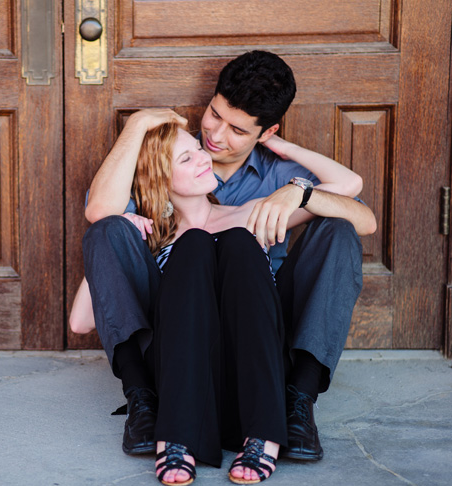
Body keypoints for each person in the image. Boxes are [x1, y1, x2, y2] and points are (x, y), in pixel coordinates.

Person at [78, 50, 372, 464]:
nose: (214, 139)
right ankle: (144, 399)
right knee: (121, 231)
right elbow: (98, 225)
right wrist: (138, 125)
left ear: (265, 131)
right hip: (177, 339)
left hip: (259, 333)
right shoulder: (153, 177)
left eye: (237, 130)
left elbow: (358, 205)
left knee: (338, 228)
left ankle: (298, 401)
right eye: (215, 115)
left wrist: (298, 188)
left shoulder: (266, 185)